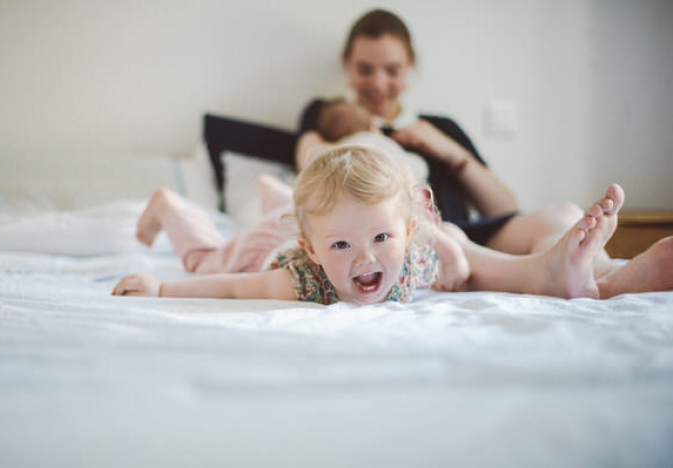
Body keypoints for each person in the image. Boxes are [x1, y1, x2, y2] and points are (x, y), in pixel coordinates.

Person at [294, 8, 672, 297]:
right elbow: (308, 165)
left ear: (409, 71)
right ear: (347, 68)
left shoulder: (439, 127)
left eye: (391, 70)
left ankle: (599, 276)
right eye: (365, 69)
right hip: (419, 237)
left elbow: (504, 207)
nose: (378, 82)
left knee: (565, 215)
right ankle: (599, 286)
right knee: (454, 238)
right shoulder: (326, 116)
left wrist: (449, 151)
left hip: (472, 230)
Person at [111, 144, 638, 303]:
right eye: (341, 246)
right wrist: (161, 289)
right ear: (314, 252)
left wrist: (446, 245)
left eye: (383, 238)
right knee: (206, 255)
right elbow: (225, 287)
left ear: (407, 235)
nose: (365, 259)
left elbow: (455, 255)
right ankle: (170, 206)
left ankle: (547, 274)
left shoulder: (406, 248)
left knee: (462, 254)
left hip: (315, 221)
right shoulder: (301, 279)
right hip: (266, 244)